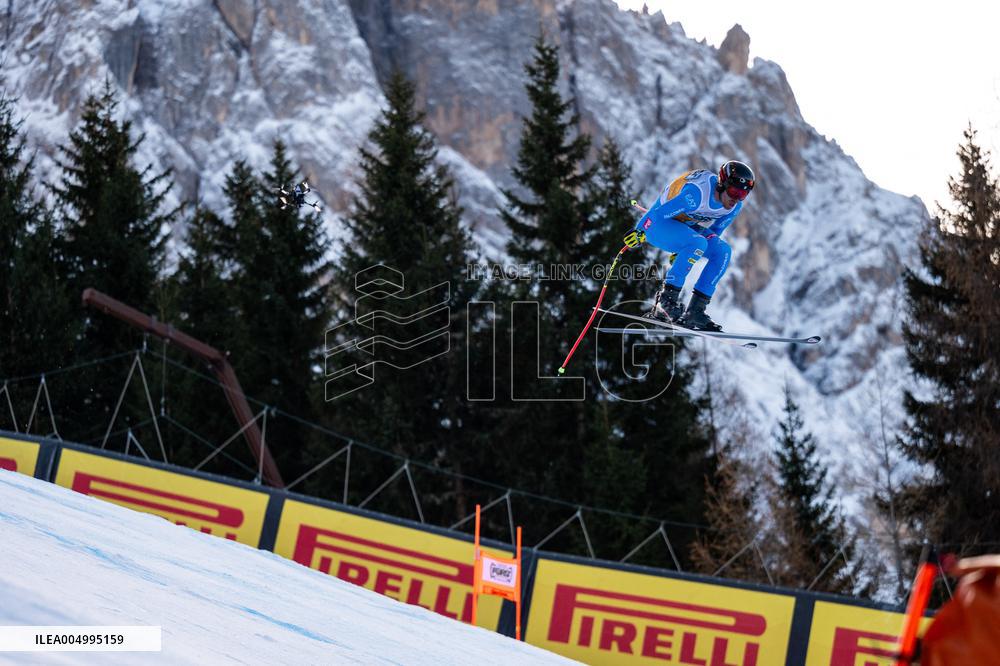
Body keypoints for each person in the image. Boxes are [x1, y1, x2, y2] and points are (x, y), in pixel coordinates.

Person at [622, 160, 755, 331]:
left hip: (684, 228)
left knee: (723, 252)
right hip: (659, 224)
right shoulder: (696, 195)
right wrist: (639, 231)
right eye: (734, 191)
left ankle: (696, 311)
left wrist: (686, 249)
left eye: (743, 194)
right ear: (723, 184)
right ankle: (665, 303)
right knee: (698, 242)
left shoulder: (733, 207)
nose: (736, 199)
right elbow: (658, 214)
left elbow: (715, 231)